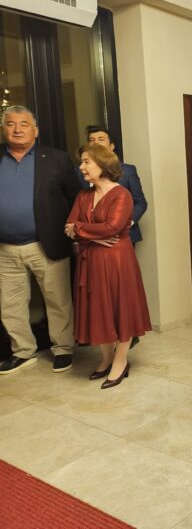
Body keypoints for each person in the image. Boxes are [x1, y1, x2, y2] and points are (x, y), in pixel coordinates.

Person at [0, 105, 80, 375]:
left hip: (47, 244)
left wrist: (75, 235)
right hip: (5, 248)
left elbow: (76, 198)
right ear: (3, 129)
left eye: (24, 124)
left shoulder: (56, 159)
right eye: (11, 124)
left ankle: (63, 349)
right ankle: (22, 351)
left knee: (58, 301)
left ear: (35, 130)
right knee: (10, 304)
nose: (17, 129)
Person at [65, 144, 152, 388]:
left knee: (120, 309)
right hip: (91, 260)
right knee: (98, 310)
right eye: (81, 161)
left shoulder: (121, 195)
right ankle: (106, 359)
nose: (81, 167)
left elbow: (112, 228)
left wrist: (80, 229)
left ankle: (120, 362)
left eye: (86, 162)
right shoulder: (83, 196)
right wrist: (91, 235)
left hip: (117, 261)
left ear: (102, 165)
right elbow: (68, 226)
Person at [84, 126, 148, 349]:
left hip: (122, 240)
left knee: (122, 292)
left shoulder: (127, 171)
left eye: (101, 139)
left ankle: (128, 333)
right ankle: (106, 337)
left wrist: (126, 223)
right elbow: (79, 207)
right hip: (91, 244)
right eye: (91, 140)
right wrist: (83, 233)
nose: (96, 143)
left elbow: (140, 202)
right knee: (99, 295)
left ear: (111, 146)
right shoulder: (81, 171)